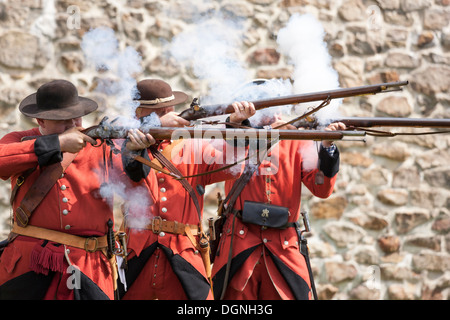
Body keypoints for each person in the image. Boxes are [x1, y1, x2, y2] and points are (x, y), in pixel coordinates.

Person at [0, 79, 154, 300]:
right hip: (30, 266)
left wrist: (133, 154)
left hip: (89, 265)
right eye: (63, 120)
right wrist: (56, 145)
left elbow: (133, 185)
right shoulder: (20, 140)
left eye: (76, 117)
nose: (73, 124)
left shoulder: (100, 144)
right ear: (40, 120)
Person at [118, 79, 255, 300]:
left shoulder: (191, 143)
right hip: (138, 250)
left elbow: (231, 167)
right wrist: (156, 126)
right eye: (157, 111)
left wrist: (235, 124)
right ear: (138, 114)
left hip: (183, 251)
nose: (167, 113)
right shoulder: (124, 142)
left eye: (167, 109)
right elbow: (128, 171)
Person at [211, 82, 346, 300]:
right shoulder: (238, 138)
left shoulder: (296, 139)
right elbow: (228, 154)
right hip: (240, 242)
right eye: (271, 106)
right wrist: (236, 123)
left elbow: (321, 188)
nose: (278, 113)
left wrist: (327, 147)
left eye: (279, 104)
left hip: (284, 245)